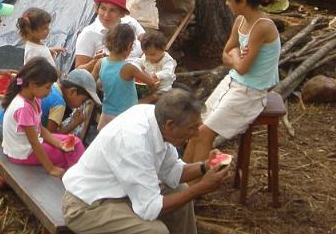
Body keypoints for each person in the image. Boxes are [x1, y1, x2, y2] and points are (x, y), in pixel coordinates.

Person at [61, 89, 231, 234]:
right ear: (170, 125)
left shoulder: (156, 119)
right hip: (87, 205)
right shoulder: (135, 142)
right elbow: (151, 209)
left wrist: (205, 167)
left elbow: (172, 171)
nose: (196, 134)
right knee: (156, 232)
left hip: (121, 193)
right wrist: (200, 188)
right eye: (192, 128)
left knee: (180, 189)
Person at [183, 0, 281, 164]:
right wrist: (236, 55)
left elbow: (243, 68)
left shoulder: (262, 27)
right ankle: (181, 177)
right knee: (196, 128)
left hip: (250, 92)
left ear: (242, 1)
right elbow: (225, 54)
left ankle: (195, 185)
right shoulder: (240, 21)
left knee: (203, 134)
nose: (226, 3)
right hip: (233, 82)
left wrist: (234, 56)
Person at [2, 57, 85, 178]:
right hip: (23, 153)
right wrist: (51, 169)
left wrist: (59, 144)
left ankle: (75, 175)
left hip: (27, 147)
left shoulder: (34, 100)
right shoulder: (23, 108)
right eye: (48, 87)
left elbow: (40, 129)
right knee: (70, 153)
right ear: (32, 85)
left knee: (75, 144)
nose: (50, 91)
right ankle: (75, 180)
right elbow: (34, 142)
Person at [0, 67, 102, 136]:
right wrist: (74, 124)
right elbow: (51, 136)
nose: (81, 105)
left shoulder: (53, 87)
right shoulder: (60, 103)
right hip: (11, 134)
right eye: (83, 101)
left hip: (1, 123)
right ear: (73, 92)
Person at [92, 24, 157, 130]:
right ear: (129, 46)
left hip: (107, 113)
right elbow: (151, 83)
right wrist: (152, 90)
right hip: (127, 115)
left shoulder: (100, 63)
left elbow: (90, 82)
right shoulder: (129, 68)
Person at [74, 0, 145, 72]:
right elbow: (77, 71)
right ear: (97, 8)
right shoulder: (89, 34)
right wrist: (94, 62)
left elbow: (146, 42)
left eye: (113, 10)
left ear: (121, 13)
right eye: (103, 8)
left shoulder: (129, 22)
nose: (106, 15)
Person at [131, 31, 177, 103]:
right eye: (146, 54)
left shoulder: (167, 60)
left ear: (163, 49)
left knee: (161, 94)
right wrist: (135, 68)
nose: (149, 57)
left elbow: (169, 72)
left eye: (153, 54)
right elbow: (138, 62)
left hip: (162, 87)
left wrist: (157, 75)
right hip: (148, 86)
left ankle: (147, 100)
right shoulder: (146, 57)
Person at [17, 7, 66, 73]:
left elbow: (40, 52)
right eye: (45, 28)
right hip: (45, 81)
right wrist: (54, 73)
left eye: (48, 27)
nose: (49, 29)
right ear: (31, 31)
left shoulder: (37, 43)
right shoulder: (32, 51)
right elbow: (34, 72)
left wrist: (48, 50)